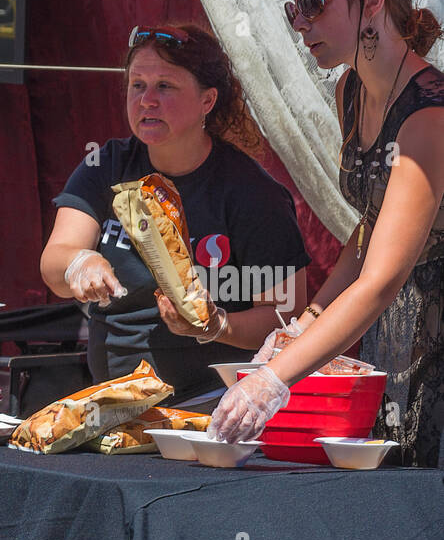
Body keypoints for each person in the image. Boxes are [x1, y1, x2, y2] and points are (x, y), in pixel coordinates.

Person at [210, 0, 444, 466]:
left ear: (374, 1)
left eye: (313, 2)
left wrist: (274, 378)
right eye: (294, 8)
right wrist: (307, 320)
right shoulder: (351, 91)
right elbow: (370, 227)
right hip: (393, 332)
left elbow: (382, 279)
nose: (300, 23)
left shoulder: (430, 115)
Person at [40, 24, 311, 401]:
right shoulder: (105, 165)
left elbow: (287, 314)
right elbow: (54, 262)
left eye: (165, 86)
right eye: (137, 85)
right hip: (112, 396)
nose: (147, 100)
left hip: (210, 402)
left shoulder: (251, 192)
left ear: (207, 100)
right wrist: (78, 263)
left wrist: (217, 326)